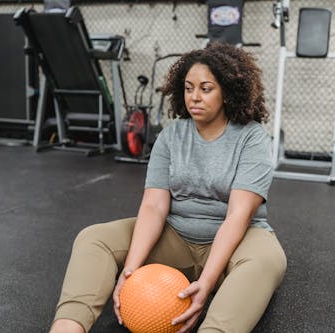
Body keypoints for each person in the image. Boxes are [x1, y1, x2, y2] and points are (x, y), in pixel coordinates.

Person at [49, 42, 287, 333]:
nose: (194, 97)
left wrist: (207, 283)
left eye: (206, 88)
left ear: (227, 91)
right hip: (175, 237)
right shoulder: (171, 135)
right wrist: (130, 271)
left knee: (267, 261)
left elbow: (238, 215)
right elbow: (153, 205)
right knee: (94, 238)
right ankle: (67, 327)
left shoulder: (252, 138)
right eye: (188, 88)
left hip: (236, 239)